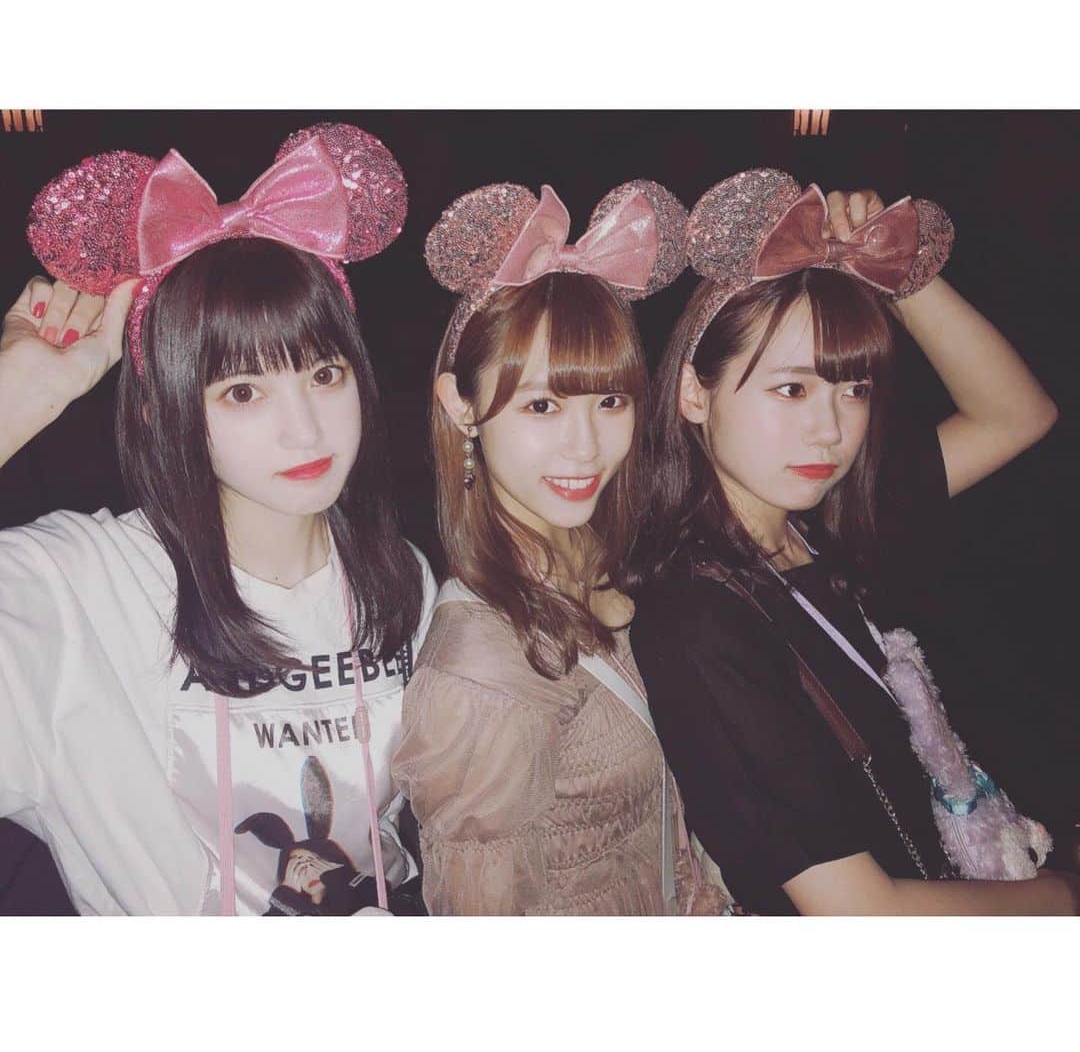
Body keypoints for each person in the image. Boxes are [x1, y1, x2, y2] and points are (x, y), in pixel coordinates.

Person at [0, 122, 436, 915]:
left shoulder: (401, 579)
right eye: (242, 391)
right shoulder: (79, 589)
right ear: (165, 410)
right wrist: (18, 398)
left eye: (324, 374)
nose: (305, 431)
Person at [629, 170, 1080, 915]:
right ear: (693, 393)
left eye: (854, 388)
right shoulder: (700, 618)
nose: (831, 430)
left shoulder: (821, 523)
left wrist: (895, 267)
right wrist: (1059, 898)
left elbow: (1017, 414)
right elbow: (859, 912)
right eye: (792, 389)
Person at [392, 181, 727, 914]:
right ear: (462, 407)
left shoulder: (606, 564)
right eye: (543, 405)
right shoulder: (483, 668)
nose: (585, 446)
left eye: (610, 401)